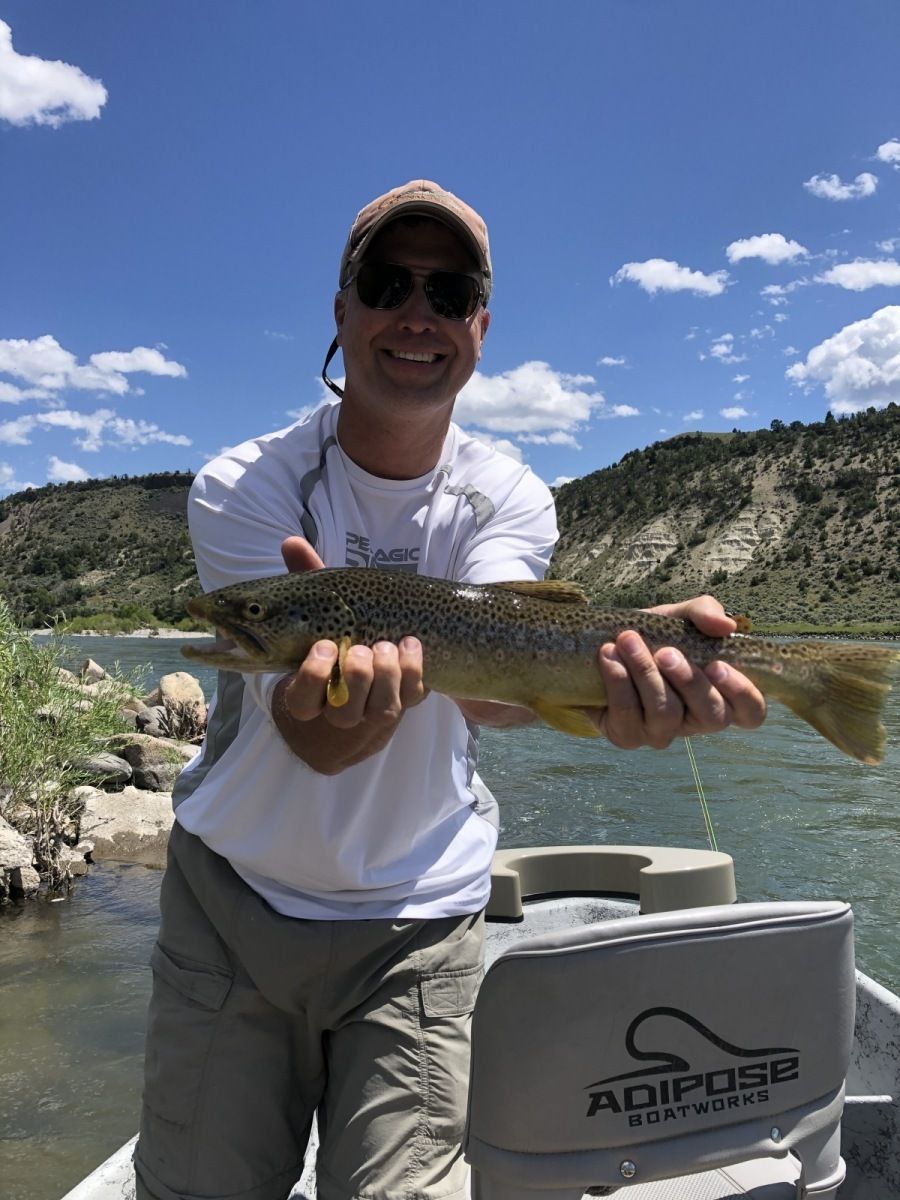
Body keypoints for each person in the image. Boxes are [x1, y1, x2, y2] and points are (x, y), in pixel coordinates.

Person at [134, 180, 766, 1200]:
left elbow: (496, 690)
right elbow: (322, 742)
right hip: (232, 905)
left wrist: (624, 689)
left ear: (480, 322)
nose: (416, 313)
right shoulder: (243, 485)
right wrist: (325, 707)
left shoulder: (507, 493)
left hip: (420, 923)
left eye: (450, 288)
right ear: (341, 313)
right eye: (388, 284)